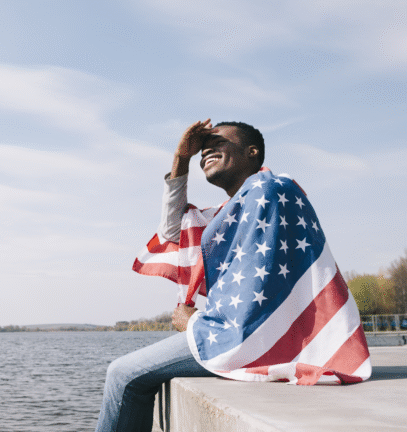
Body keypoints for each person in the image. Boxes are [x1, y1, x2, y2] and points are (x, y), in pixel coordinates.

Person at [95, 120, 370, 432]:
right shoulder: (234, 210)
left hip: (250, 338)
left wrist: (195, 323)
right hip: (239, 332)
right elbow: (172, 230)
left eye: (219, 142)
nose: (207, 150)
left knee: (123, 375)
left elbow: (258, 298)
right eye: (203, 149)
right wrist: (181, 158)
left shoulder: (270, 190)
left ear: (252, 153)